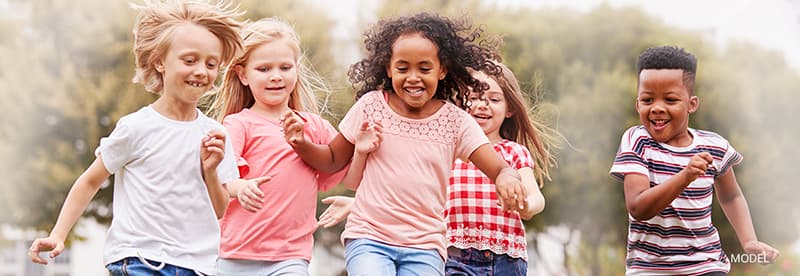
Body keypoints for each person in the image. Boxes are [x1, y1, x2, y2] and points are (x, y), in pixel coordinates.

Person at [281, 12, 528, 276]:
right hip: (370, 237)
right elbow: (332, 158)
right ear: (389, 68)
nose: (413, 77)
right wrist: (301, 144)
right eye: (402, 68)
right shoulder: (371, 107)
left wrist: (507, 178)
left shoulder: (456, 122)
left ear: (442, 69)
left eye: (424, 68)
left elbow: (499, 168)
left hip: (426, 246)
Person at [27, 0, 244, 275]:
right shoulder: (137, 127)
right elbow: (91, 180)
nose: (201, 70)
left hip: (196, 266)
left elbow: (219, 209)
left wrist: (210, 171)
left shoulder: (215, 134)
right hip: (139, 260)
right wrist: (58, 234)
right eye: (189, 60)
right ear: (160, 62)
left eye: (211, 64)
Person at [610, 45, 780, 275]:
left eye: (670, 100)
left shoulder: (714, 146)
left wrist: (749, 241)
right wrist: (685, 176)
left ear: (691, 104)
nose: (657, 108)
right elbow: (638, 207)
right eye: (648, 100)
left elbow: (731, 195)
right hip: (650, 268)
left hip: (706, 264)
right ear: (637, 103)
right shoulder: (636, 140)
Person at [206, 18, 346, 276]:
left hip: (290, 258)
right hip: (234, 257)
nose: (276, 77)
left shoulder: (315, 127)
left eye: (285, 67)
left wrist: (355, 201)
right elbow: (221, 177)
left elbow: (351, 173)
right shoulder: (238, 124)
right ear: (243, 74)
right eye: (264, 69)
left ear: (296, 69)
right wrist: (241, 187)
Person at [445, 62, 558, 275]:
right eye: (474, 97)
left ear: (510, 109)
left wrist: (526, 206)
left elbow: (537, 198)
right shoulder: (449, 149)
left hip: (505, 260)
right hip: (454, 255)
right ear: (461, 102)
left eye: (494, 99)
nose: (482, 105)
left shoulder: (513, 152)